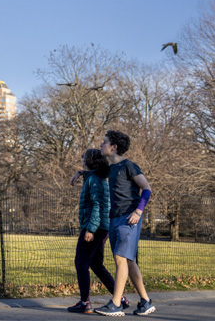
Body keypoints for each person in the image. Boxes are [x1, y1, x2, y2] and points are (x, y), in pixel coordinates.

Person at [94, 130, 156, 317]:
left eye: (104, 142)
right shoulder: (111, 169)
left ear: (114, 147)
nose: (101, 145)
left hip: (129, 218)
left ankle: (116, 304)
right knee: (128, 260)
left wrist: (138, 211)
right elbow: (93, 172)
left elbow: (146, 188)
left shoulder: (129, 166)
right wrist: (79, 172)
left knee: (120, 259)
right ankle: (145, 302)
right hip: (115, 217)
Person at [68, 149, 128, 314]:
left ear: (89, 161)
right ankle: (121, 298)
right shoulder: (96, 177)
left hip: (94, 227)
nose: (82, 160)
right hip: (101, 227)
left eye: (84, 158)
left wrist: (90, 229)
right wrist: (79, 172)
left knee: (81, 263)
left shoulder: (95, 180)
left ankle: (85, 302)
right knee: (96, 264)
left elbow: (98, 205)